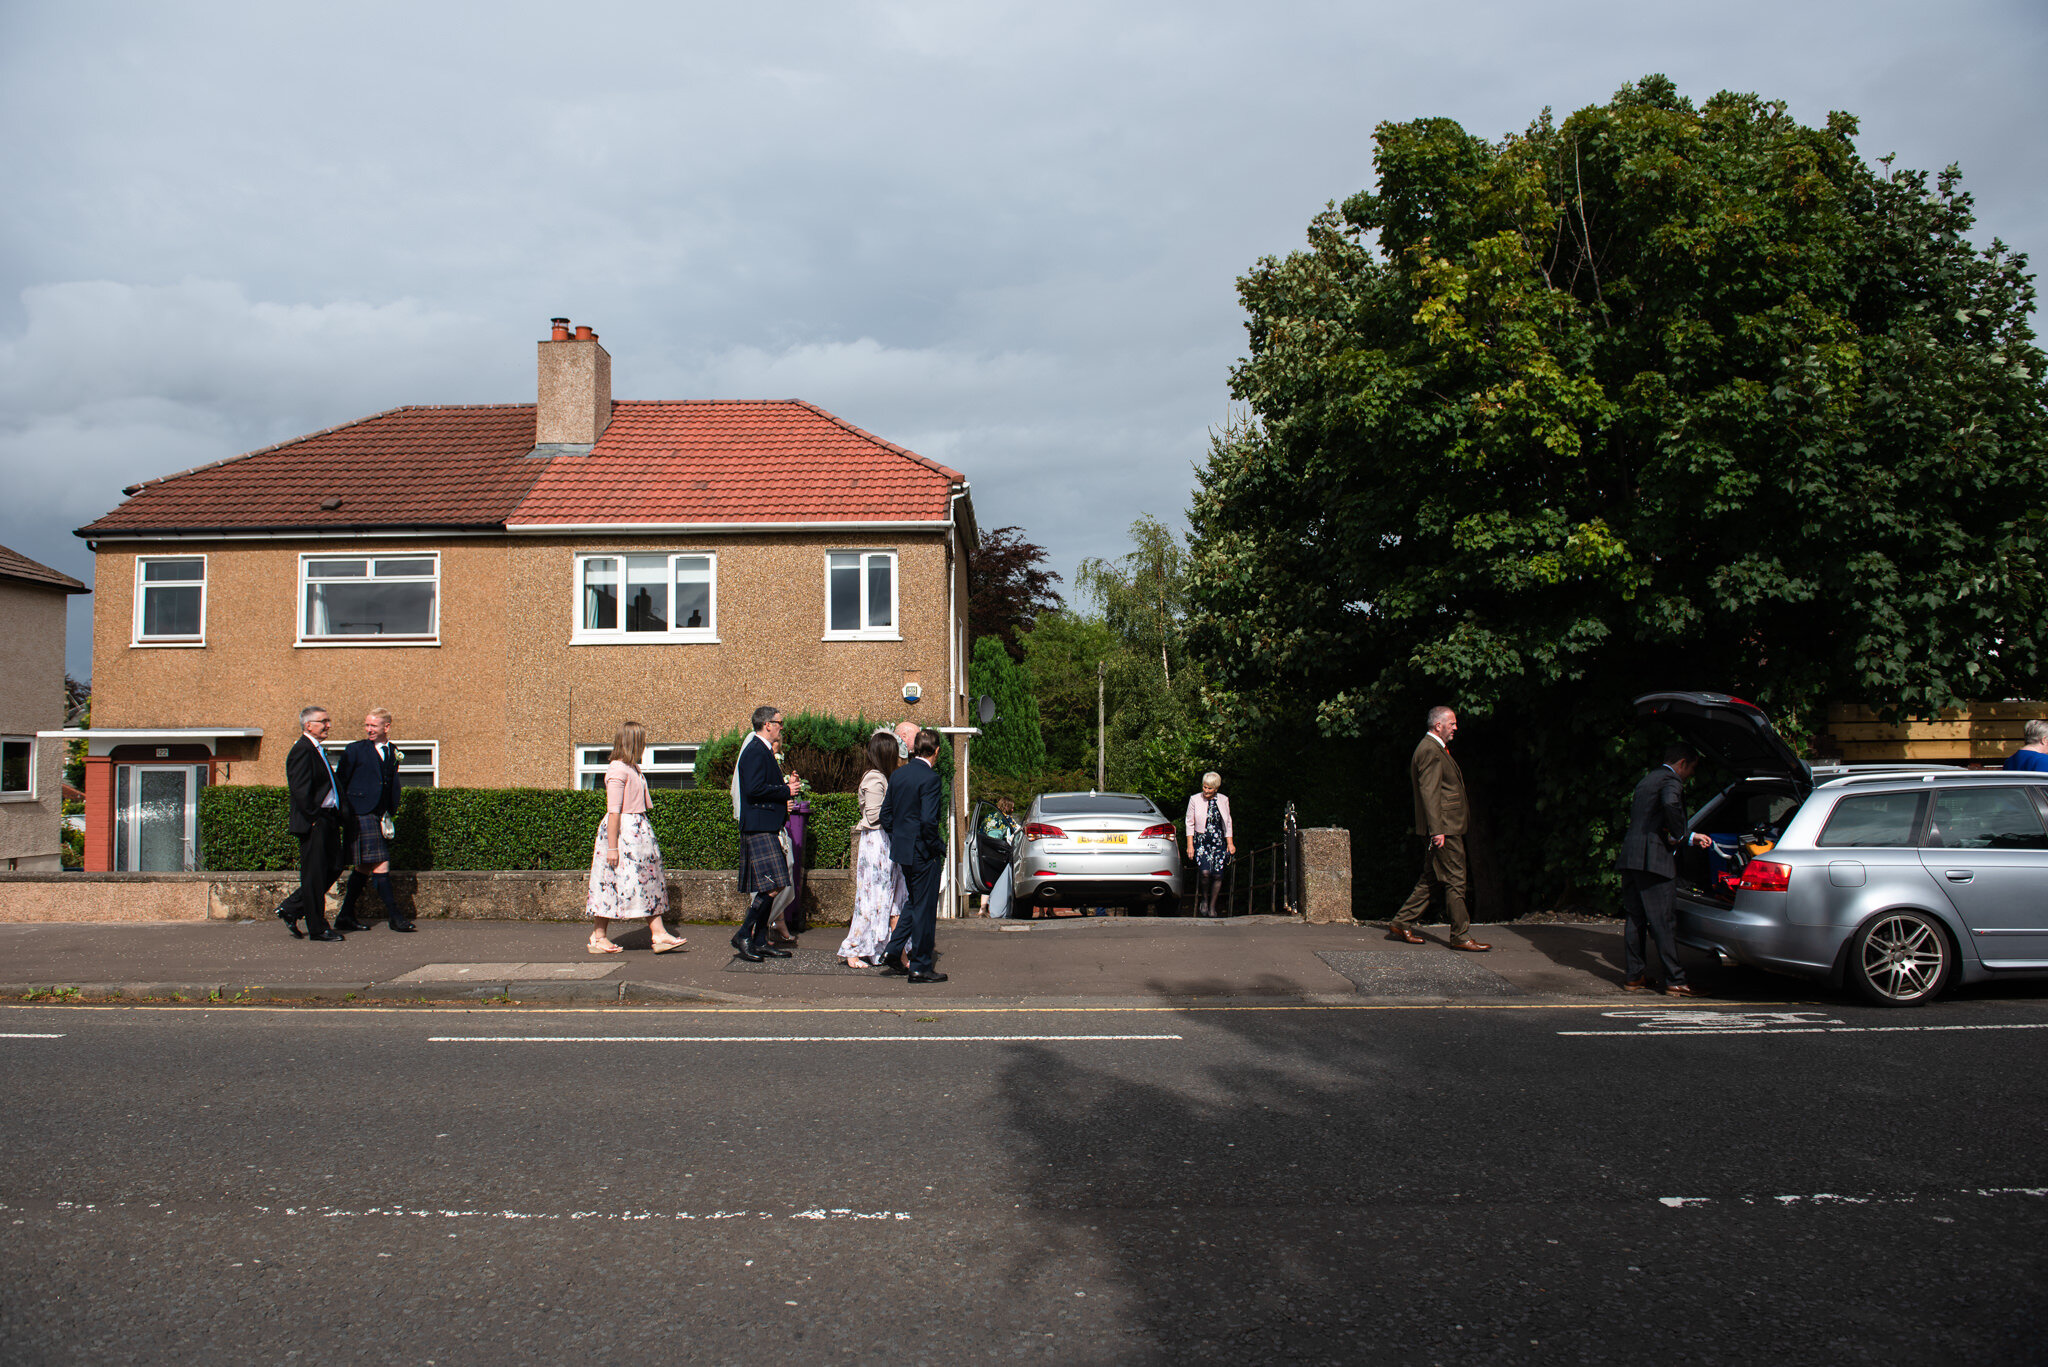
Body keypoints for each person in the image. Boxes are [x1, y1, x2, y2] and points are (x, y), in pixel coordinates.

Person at [1387, 705, 1491, 952]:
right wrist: (1437, 830)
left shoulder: (1433, 749)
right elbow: (1430, 793)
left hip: (1444, 826)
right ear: (1438, 725)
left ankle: (1402, 922)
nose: (1456, 728)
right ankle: (1460, 935)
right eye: (1452, 723)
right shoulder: (1431, 751)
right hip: (1445, 828)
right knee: (1456, 879)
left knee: (1431, 878)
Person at [1618, 743, 1715, 996]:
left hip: (1631, 856)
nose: (1689, 775)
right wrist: (1682, 834)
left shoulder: (1647, 779)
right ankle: (1675, 980)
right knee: (1663, 921)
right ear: (1682, 763)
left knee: (1635, 918)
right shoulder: (1671, 781)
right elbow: (1671, 805)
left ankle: (1634, 976)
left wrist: (1684, 836)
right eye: (1690, 770)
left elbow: (1648, 818)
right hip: (1654, 861)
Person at [584, 721, 687, 955]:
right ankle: (598, 936)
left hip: (637, 831)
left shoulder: (631, 768)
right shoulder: (618, 769)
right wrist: (612, 848)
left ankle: (658, 933)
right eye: (642, 740)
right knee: (609, 883)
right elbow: (614, 811)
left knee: (648, 881)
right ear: (633, 742)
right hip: (624, 833)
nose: (645, 745)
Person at [731, 705, 801, 963]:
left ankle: (760, 940)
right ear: (767, 724)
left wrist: (786, 786)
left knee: (777, 883)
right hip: (758, 826)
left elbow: (763, 785)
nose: (782, 727)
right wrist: (785, 791)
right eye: (779, 722)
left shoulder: (763, 751)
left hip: (766, 825)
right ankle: (743, 935)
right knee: (772, 884)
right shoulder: (754, 751)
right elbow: (753, 789)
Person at [334, 708, 411, 933]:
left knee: (364, 867)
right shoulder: (355, 750)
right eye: (367, 725)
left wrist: (389, 811)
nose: (368, 729)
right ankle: (395, 917)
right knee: (381, 863)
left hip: (380, 815)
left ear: (386, 727)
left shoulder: (393, 750)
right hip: (360, 813)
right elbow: (341, 783)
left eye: (373, 726)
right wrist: (346, 814)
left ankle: (345, 915)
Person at [879, 727, 947, 982]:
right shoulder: (931, 779)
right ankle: (920, 965)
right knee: (925, 909)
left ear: (915, 748)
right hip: (923, 852)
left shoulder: (898, 776)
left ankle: (894, 950)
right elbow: (929, 821)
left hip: (904, 852)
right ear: (936, 751)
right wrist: (935, 846)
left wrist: (899, 838)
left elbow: (885, 815)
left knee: (914, 902)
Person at [274, 705, 345, 941]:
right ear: (309, 725)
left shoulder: (317, 750)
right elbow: (300, 789)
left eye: (328, 720)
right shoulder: (302, 750)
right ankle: (317, 928)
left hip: (328, 818)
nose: (328, 725)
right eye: (323, 721)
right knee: (314, 875)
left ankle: (292, 908)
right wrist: (313, 817)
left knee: (335, 866)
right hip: (315, 821)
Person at [839, 731, 905, 966]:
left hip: (881, 842)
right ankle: (853, 950)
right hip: (876, 843)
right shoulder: (875, 779)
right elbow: (875, 816)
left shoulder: (880, 777)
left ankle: (876, 947)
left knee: (882, 898)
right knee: (870, 898)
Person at [1184, 773, 1235, 917]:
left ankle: (1212, 906)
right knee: (1205, 873)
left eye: (1210, 788)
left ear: (1216, 788)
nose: (1206, 791)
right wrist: (1190, 845)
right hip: (1201, 841)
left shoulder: (1224, 800)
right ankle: (1205, 900)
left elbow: (1228, 822)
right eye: (1204, 787)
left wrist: (1230, 843)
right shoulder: (1194, 799)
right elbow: (1189, 822)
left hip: (1218, 841)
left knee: (1218, 875)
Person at [980, 797, 1020, 919]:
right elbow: (1017, 831)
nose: (1013, 809)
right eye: (1011, 806)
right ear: (1007, 806)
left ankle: (982, 908)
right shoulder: (1007, 819)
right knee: (998, 881)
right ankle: (998, 908)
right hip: (999, 852)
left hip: (985, 849)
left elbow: (980, 831)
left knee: (987, 879)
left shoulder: (989, 817)